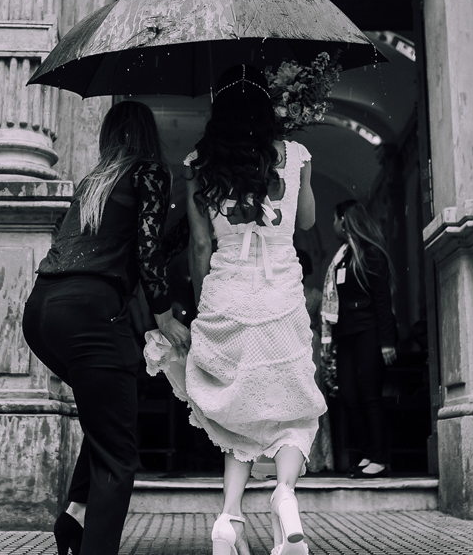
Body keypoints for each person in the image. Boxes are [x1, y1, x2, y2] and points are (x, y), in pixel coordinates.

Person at [21, 101, 190, 555]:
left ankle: (75, 515)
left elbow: (134, 246)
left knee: (106, 418)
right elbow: (148, 253)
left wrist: (189, 226)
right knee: (119, 455)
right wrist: (164, 315)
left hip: (41, 312)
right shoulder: (151, 171)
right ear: (148, 134)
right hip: (89, 315)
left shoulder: (95, 180)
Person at [183, 65, 327, 555]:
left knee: (236, 415)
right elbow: (306, 222)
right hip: (281, 298)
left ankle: (229, 517)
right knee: (294, 409)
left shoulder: (200, 163)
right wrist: (300, 177)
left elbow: (201, 245)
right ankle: (284, 495)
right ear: (268, 113)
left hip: (227, 296)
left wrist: (206, 302)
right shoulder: (296, 156)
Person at [321, 199, 397, 478]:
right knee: (349, 396)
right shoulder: (342, 255)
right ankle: (368, 452)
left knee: (369, 395)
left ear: (344, 220)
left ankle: (378, 457)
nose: (333, 225)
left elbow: (382, 301)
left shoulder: (371, 253)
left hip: (369, 332)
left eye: (334, 219)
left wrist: (387, 342)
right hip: (345, 335)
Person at [296, 249, 334, 473]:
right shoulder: (314, 295)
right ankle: (310, 457)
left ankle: (312, 457)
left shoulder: (313, 295)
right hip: (304, 344)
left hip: (306, 345)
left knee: (309, 398)